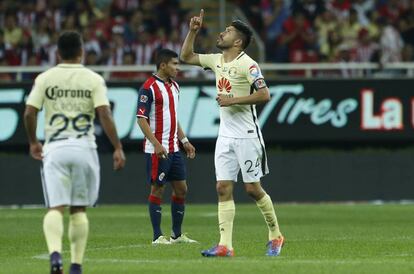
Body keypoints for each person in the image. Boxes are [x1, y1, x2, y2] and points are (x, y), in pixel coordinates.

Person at [180, 10, 284, 257]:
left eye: (227, 31)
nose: (221, 33)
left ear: (237, 42)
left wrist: (232, 100)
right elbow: (186, 56)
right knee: (222, 187)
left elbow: (264, 94)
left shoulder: (249, 64)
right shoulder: (216, 60)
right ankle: (225, 245)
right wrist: (193, 31)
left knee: (252, 189)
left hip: (247, 134)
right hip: (225, 135)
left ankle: (276, 235)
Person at [23, 31, 126, 274]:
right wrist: (117, 147)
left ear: (58, 53)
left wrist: (33, 142)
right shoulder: (93, 79)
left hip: (55, 148)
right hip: (84, 148)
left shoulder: (45, 78)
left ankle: (56, 255)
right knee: (78, 209)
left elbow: (29, 112)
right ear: (81, 52)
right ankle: (77, 265)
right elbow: (105, 114)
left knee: (55, 207)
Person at [137, 48, 197, 245]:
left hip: (173, 148)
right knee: (158, 190)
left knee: (182, 189)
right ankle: (157, 236)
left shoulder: (175, 87)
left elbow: (173, 118)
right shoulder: (149, 87)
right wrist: (155, 144)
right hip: (157, 150)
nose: (177, 68)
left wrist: (185, 141)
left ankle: (177, 235)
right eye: (174, 64)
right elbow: (141, 119)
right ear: (163, 65)